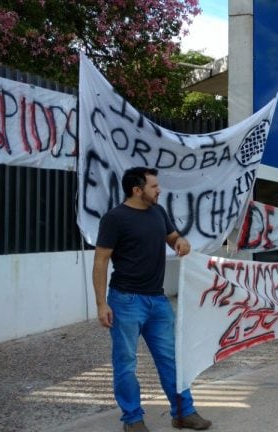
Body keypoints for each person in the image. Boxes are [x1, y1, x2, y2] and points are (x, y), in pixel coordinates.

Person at [92, 167, 211, 432]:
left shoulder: (158, 212)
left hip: (157, 302)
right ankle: (132, 419)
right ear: (137, 190)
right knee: (126, 363)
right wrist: (102, 303)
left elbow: (172, 237)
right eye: (154, 186)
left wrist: (181, 242)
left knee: (171, 359)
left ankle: (183, 413)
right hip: (125, 301)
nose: (159, 190)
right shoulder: (115, 218)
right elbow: (100, 260)